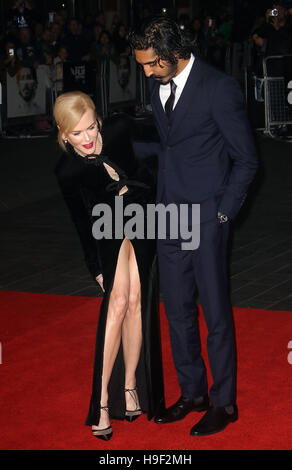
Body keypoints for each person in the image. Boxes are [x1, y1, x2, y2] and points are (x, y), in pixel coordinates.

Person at [129, 15, 258, 436]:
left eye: (150, 64)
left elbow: (247, 158)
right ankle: (193, 393)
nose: (145, 71)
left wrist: (223, 212)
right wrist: (115, 145)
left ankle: (224, 403)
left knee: (216, 314)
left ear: (173, 54)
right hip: (168, 214)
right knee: (178, 311)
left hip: (206, 216)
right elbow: (172, 146)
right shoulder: (157, 83)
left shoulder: (218, 88)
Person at [53, 91, 165, 440]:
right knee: (115, 305)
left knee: (137, 303)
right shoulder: (68, 169)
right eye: (76, 133)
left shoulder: (121, 130)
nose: (86, 139)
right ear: (63, 133)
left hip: (143, 220)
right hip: (107, 232)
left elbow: (162, 154)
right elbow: (80, 223)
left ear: (98, 119)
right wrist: (95, 268)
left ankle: (131, 386)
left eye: (90, 128)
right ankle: (101, 402)